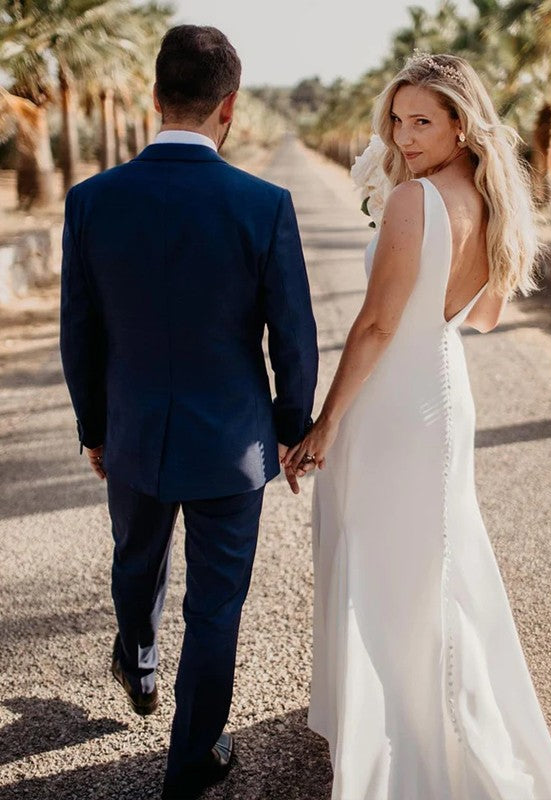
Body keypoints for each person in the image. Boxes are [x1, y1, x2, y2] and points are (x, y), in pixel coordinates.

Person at [284, 52, 551, 799]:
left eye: (423, 122)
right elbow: (479, 314)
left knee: (383, 553)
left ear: (460, 123)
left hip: (393, 401)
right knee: (434, 554)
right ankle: (433, 707)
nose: (405, 136)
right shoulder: (492, 197)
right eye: (398, 119)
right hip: (445, 388)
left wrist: (325, 422)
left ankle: (398, 732)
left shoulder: (415, 201)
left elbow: (378, 325)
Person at [60, 24, 318, 800]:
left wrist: (95, 430)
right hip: (233, 448)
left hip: (133, 437)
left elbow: (80, 332)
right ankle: (192, 760)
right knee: (217, 604)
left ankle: (137, 661)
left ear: (154, 98)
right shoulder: (264, 204)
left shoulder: (92, 200)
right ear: (229, 107)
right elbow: (294, 336)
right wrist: (288, 428)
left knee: (135, 563)